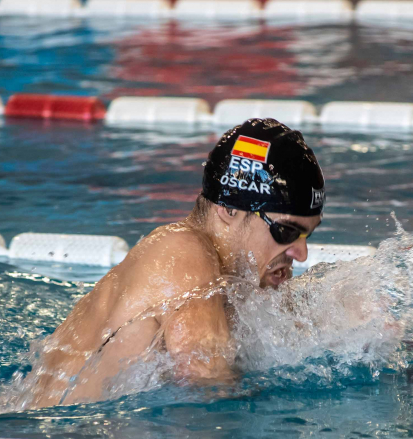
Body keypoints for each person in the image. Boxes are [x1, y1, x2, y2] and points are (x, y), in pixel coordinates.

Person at [27, 118, 325, 408]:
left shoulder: (233, 285)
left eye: (306, 236)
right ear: (229, 209)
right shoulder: (183, 252)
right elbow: (207, 387)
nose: (301, 253)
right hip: (56, 435)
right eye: (287, 232)